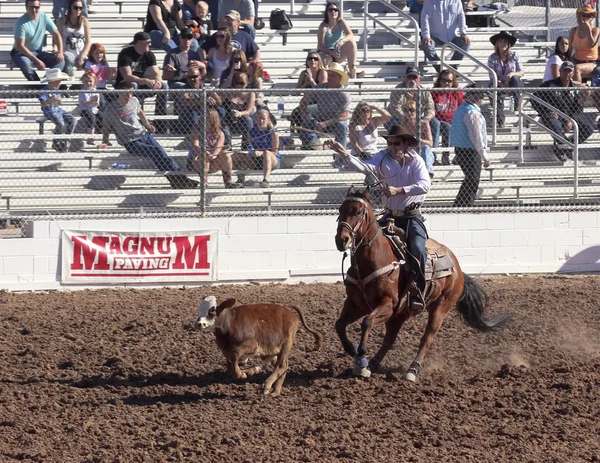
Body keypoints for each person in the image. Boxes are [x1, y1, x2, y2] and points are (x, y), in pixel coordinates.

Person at [327, 126, 431, 314]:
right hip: (390, 215)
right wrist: (343, 152)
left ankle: (417, 290)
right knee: (364, 243)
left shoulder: (416, 162)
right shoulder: (382, 157)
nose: (392, 146)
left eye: (396, 143)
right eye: (390, 143)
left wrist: (398, 190)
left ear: (406, 144)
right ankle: (361, 281)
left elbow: (425, 185)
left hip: (411, 217)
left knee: (417, 248)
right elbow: (363, 166)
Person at [100, 82, 199, 189]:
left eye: (131, 92)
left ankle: (179, 180)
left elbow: (140, 112)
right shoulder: (111, 108)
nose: (129, 96)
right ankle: (179, 180)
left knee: (163, 154)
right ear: (119, 93)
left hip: (143, 134)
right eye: (126, 93)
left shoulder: (134, 100)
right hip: (130, 141)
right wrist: (105, 141)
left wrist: (147, 124)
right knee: (156, 152)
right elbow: (106, 127)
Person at [532, 61, 593, 161]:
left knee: (588, 129)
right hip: (552, 117)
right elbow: (534, 99)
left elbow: (578, 109)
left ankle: (563, 148)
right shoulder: (550, 85)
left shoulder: (575, 88)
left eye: (570, 71)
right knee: (556, 125)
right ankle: (567, 149)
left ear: (573, 73)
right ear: (560, 71)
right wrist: (546, 112)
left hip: (569, 117)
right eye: (565, 71)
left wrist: (571, 120)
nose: (567, 74)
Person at [449, 85, 491, 207]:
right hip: (470, 151)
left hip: (462, 149)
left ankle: (460, 205)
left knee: (470, 179)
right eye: (480, 96)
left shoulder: (463, 108)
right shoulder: (471, 112)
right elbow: (476, 136)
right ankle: (464, 205)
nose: (481, 98)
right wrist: (484, 156)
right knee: (473, 180)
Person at [298, 62, 351, 153]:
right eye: (329, 74)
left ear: (339, 78)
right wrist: (305, 116)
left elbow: (344, 115)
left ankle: (341, 153)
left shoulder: (344, 93)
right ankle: (316, 144)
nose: (329, 77)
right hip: (320, 118)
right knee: (305, 124)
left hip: (335, 121)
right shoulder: (320, 87)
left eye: (333, 75)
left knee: (342, 125)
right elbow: (303, 101)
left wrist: (325, 123)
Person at [116, 32, 169, 119]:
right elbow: (127, 77)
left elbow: (156, 73)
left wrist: (157, 82)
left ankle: (160, 118)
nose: (150, 44)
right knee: (134, 85)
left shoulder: (149, 54)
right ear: (139, 43)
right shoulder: (125, 54)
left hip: (143, 84)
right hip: (124, 85)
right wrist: (145, 80)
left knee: (164, 85)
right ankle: (134, 116)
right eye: (148, 42)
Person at [386, 67, 439, 150]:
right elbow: (395, 109)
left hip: (418, 118)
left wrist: (426, 119)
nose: (412, 80)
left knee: (435, 123)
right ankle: (394, 149)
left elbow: (431, 109)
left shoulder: (424, 91)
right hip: (399, 117)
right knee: (393, 123)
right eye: (409, 77)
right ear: (405, 78)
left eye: (414, 77)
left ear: (419, 79)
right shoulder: (397, 90)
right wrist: (407, 117)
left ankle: (433, 154)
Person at [12, 0, 65, 81]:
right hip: (21, 53)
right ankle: (39, 88)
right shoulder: (20, 23)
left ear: (40, 7)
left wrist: (60, 52)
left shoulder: (44, 17)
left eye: (36, 7)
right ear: (26, 8)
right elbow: (20, 46)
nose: (34, 10)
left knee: (60, 61)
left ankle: (45, 84)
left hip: (38, 52)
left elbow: (57, 35)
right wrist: (36, 60)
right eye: (31, 8)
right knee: (26, 65)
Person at [189, 108, 242, 188]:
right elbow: (195, 145)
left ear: (213, 120)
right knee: (204, 155)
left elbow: (218, 148)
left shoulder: (220, 133)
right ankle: (204, 182)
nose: (205, 120)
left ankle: (228, 181)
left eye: (208, 118)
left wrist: (213, 155)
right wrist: (205, 151)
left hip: (213, 160)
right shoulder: (197, 130)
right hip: (197, 160)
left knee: (226, 154)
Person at [232, 108, 280, 188]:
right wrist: (252, 152)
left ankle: (266, 180)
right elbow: (250, 147)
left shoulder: (273, 133)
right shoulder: (251, 132)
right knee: (236, 155)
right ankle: (236, 179)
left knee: (266, 153)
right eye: (259, 118)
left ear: (268, 120)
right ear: (256, 119)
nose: (261, 121)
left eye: (263, 119)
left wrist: (261, 153)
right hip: (256, 160)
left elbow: (274, 152)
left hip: (272, 160)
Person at [487, 31, 524, 128]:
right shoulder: (492, 58)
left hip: (513, 83)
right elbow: (492, 76)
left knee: (515, 78)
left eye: (505, 42)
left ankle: (517, 104)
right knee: (492, 89)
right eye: (501, 41)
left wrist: (511, 74)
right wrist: (503, 85)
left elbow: (521, 72)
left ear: (509, 44)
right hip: (499, 83)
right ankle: (500, 120)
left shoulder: (514, 55)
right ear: (497, 43)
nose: (503, 44)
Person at [420, 0, 470, 72]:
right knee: (427, 45)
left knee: (465, 43)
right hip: (434, 36)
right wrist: (427, 36)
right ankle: (441, 70)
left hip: (452, 36)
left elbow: (460, 15)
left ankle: (452, 70)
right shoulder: (429, 1)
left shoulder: (456, 1)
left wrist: (463, 33)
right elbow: (425, 18)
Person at [317, 2, 362, 78]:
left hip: (337, 52)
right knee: (326, 60)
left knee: (352, 43)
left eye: (335, 10)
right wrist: (331, 52)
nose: (333, 12)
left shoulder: (341, 22)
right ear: (327, 12)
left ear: (338, 12)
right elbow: (321, 46)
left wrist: (341, 41)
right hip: (325, 52)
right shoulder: (323, 26)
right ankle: (329, 78)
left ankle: (352, 71)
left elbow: (350, 35)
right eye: (330, 10)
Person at [38, 68, 75, 152]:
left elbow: (60, 103)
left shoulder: (57, 90)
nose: (60, 83)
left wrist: (58, 99)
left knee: (73, 120)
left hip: (58, 110)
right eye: (59, 81)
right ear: (53, 81)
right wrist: (50, 99)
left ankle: (65, 139)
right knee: (61, 123)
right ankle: (56, 141)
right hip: (50, 111)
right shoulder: (44, 90)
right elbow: (43, 104)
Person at [431, 69, 463, 165]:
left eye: (449, 81)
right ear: (439, 81)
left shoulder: (456, 92)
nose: (446, 83)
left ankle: (460, 157)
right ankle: (436, 157)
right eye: (443, 80)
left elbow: (463, 106)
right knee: (446, 127)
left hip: (454, 121)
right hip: (438, 121)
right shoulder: (434, 93)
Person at [399, 101, 435, 177]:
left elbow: (430, 143)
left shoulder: (423, 124)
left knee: (426, 148)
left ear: (417, 111)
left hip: (422, 150)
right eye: (406, 110)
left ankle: (428, 174)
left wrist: (419, 141)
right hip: (409, 151)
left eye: (412, 110)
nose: (409, 112)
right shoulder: (402, 125)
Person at [222, 71, 255, 146]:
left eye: (242, 83)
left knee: (248, 119)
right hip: (227, 120)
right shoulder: (228, 91)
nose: (239, 86)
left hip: (241, 121)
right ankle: (227, 146)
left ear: (246, 83)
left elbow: (249, 111)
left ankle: (247, 145)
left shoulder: (250, 94)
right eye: (237, 83)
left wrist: (239, 113)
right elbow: (219, 97)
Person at [56, 0, 92, 70]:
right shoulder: (62, 20)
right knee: (68, 60)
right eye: (75, 7)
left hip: (80, 51)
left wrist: (82, 56)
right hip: (67, 51)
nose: (78, 10)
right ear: (70, 8)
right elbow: (57, 38)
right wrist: (58, 50)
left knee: (90, 63)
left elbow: (88, 42)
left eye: (80, 8)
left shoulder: (84, 20)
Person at [568, 4, 600, 83]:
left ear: (592, 18)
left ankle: (577, 91)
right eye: (583, 15)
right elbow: (569, 48)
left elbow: (591, 44)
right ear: (580, 16)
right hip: (577, 60)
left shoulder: (595, 30)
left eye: (588, 16)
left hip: (592, 62)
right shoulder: (574, 30)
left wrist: (588, 30)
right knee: (564, 69)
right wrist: (570, 59)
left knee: (577, 69)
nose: (585, 18)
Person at [76, 71, 99, 146]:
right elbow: (83, 103)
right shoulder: (82, 92)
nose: (88, 83)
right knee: (92, 118)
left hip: (93, 109)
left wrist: (95, 101)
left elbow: (97, 104)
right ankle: (90, 137)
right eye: (86, 81)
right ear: (82, 82)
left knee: (102, 117)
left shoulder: (95, 91)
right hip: (84, 109)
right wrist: (91, 101)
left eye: (90, 81)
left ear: (94, 81)